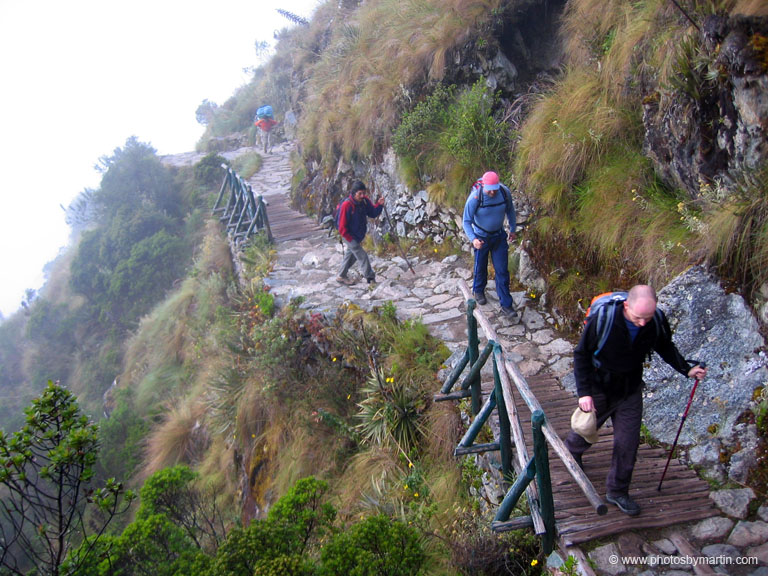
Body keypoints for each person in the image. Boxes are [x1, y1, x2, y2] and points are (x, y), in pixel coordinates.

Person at [566, 285, 707, 516]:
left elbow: (665, 347)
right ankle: (573, 452)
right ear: (626, 306)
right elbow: (581, 354)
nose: (643, 323)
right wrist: (585, 393)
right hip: (599, 385)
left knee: (628, 442)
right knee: (585, 428)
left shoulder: (656, 321)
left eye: (647, 318)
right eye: (638, 318)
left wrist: (686, 369)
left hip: (630, 389)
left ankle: (618, 490)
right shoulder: (604, 319)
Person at [462, 171, 517, 318]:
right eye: (490, 188)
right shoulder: (475, 198)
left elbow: (510, 210)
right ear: (484, 186)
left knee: (502, 271)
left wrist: (513, 229)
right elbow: (466, 221)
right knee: (480, 266)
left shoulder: (504, 193)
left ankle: (506, 305)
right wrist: (473, 239)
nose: (492, 191)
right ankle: (479, 290)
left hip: (499, 236)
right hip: (481, 237)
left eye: (495, 188)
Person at [336, 180, 384, 286]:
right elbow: (342, 227)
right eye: (360, 193)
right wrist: (350, 240)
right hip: (348, 235)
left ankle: (341, 276)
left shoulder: (364, 201)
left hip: (358, 235)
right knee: (362, 255)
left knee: (351, 256)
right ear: (354, 193)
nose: (362, 195)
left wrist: (379, 205)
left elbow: (372, 213)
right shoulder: (346, 205)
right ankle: (370, 278)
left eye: (364, 193)